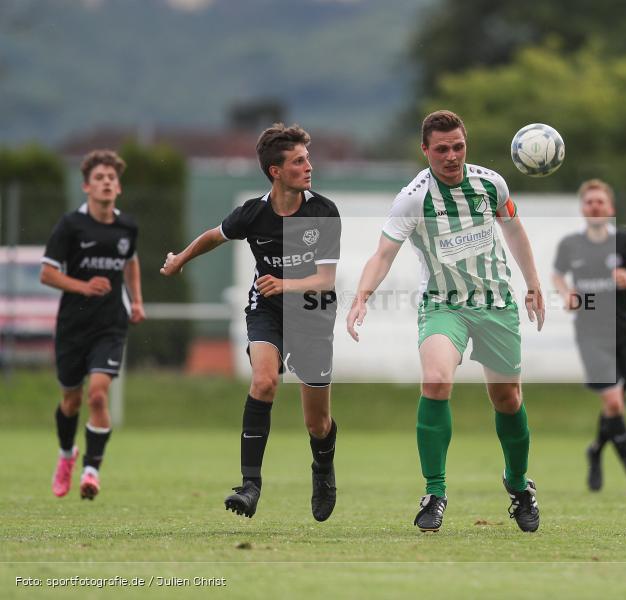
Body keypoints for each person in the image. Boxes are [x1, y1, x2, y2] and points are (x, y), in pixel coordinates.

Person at [346, 110, 545, 533]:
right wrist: (361, 296)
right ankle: (434, 493)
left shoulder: (491, 184)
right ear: (425, 150)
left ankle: (518, 484)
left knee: (507, 399)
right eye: (441, 149)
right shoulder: (413, 198)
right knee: (436, 381)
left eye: (458, 146)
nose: (451, 156)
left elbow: (514, 230)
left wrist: (533, 283)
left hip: (495, 303)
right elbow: (383, 254)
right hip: (443, 304)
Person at [160, 123, 341, 521]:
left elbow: (326, 279)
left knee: (317, 423)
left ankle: (323, 469)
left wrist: (286, 283)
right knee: (263, 381)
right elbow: (214, 235)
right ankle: (250, 485)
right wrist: (180, 259)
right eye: (299, 161)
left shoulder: (323, 211)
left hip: (313, 313)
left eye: (307, 159)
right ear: (276, 171)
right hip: (267, 310)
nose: (308, 166)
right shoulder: (253, 213)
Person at [41, 149, 145, 500]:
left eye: (111, 178)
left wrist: (137, 301)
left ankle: (91, 471)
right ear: (86, 186)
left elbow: (131, 262)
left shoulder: (127, 226)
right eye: (99, 178)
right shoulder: (70, 225)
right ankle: (66, 454)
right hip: (72, 327)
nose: (106, 183)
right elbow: (47, 273)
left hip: (110, 324)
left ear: (119, 187)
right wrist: (83, 286)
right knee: (71, 401)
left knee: (98, 395)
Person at [552, 179, 626, 495]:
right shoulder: (571, 244)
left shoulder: (625, 239)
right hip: (590, 333)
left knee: (616, 405)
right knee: (613, 400)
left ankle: (596, 450)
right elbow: (557, 275)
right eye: (589, 202)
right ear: (583, 208)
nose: (595, 207)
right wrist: (566, 294)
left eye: (600, 202)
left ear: (611, 208)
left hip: (623, 331)